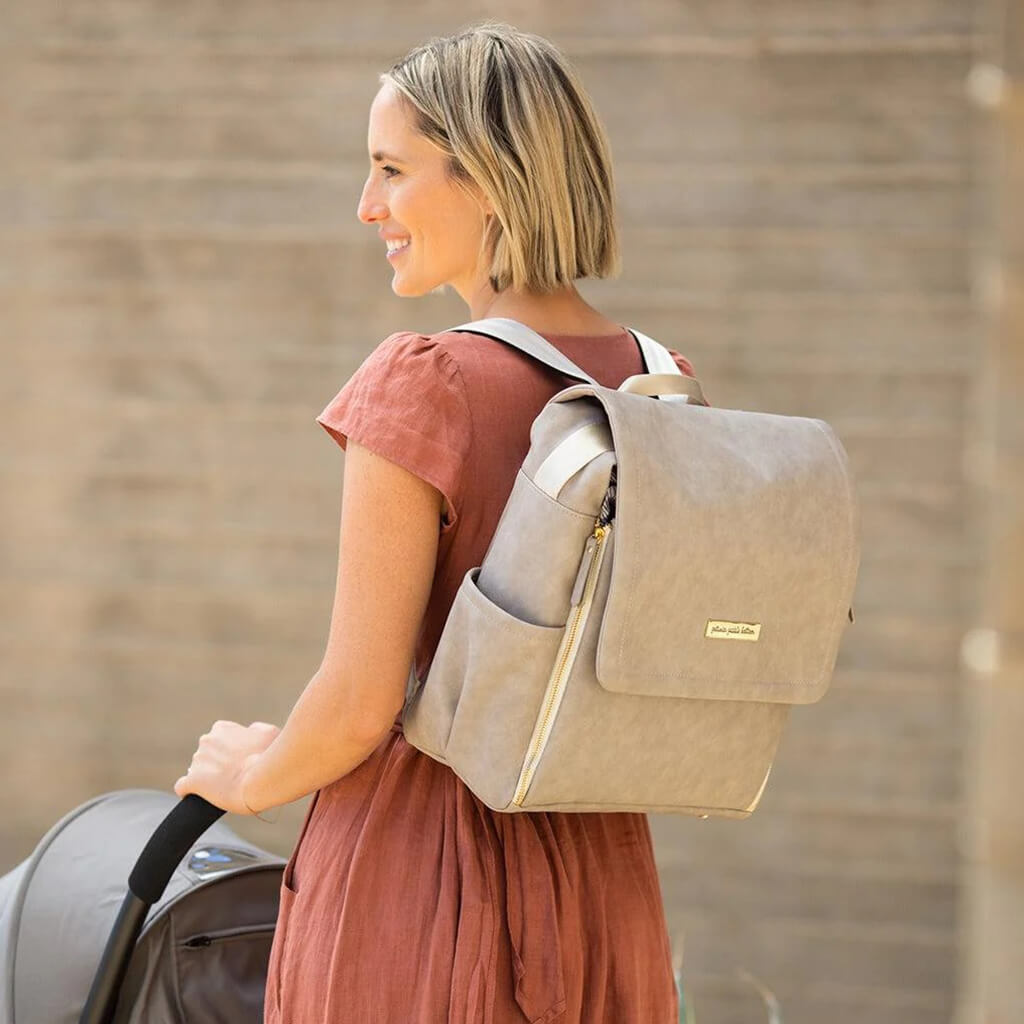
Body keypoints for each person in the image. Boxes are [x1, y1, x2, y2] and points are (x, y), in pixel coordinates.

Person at [175, 21, 699, 1022]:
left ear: (488, 178)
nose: (367, 205)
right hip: (603, 878)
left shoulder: (425, 381)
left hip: (420, 877)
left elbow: (361, 700)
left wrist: (252, 776)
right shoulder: (661, 380)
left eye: (391, 170)